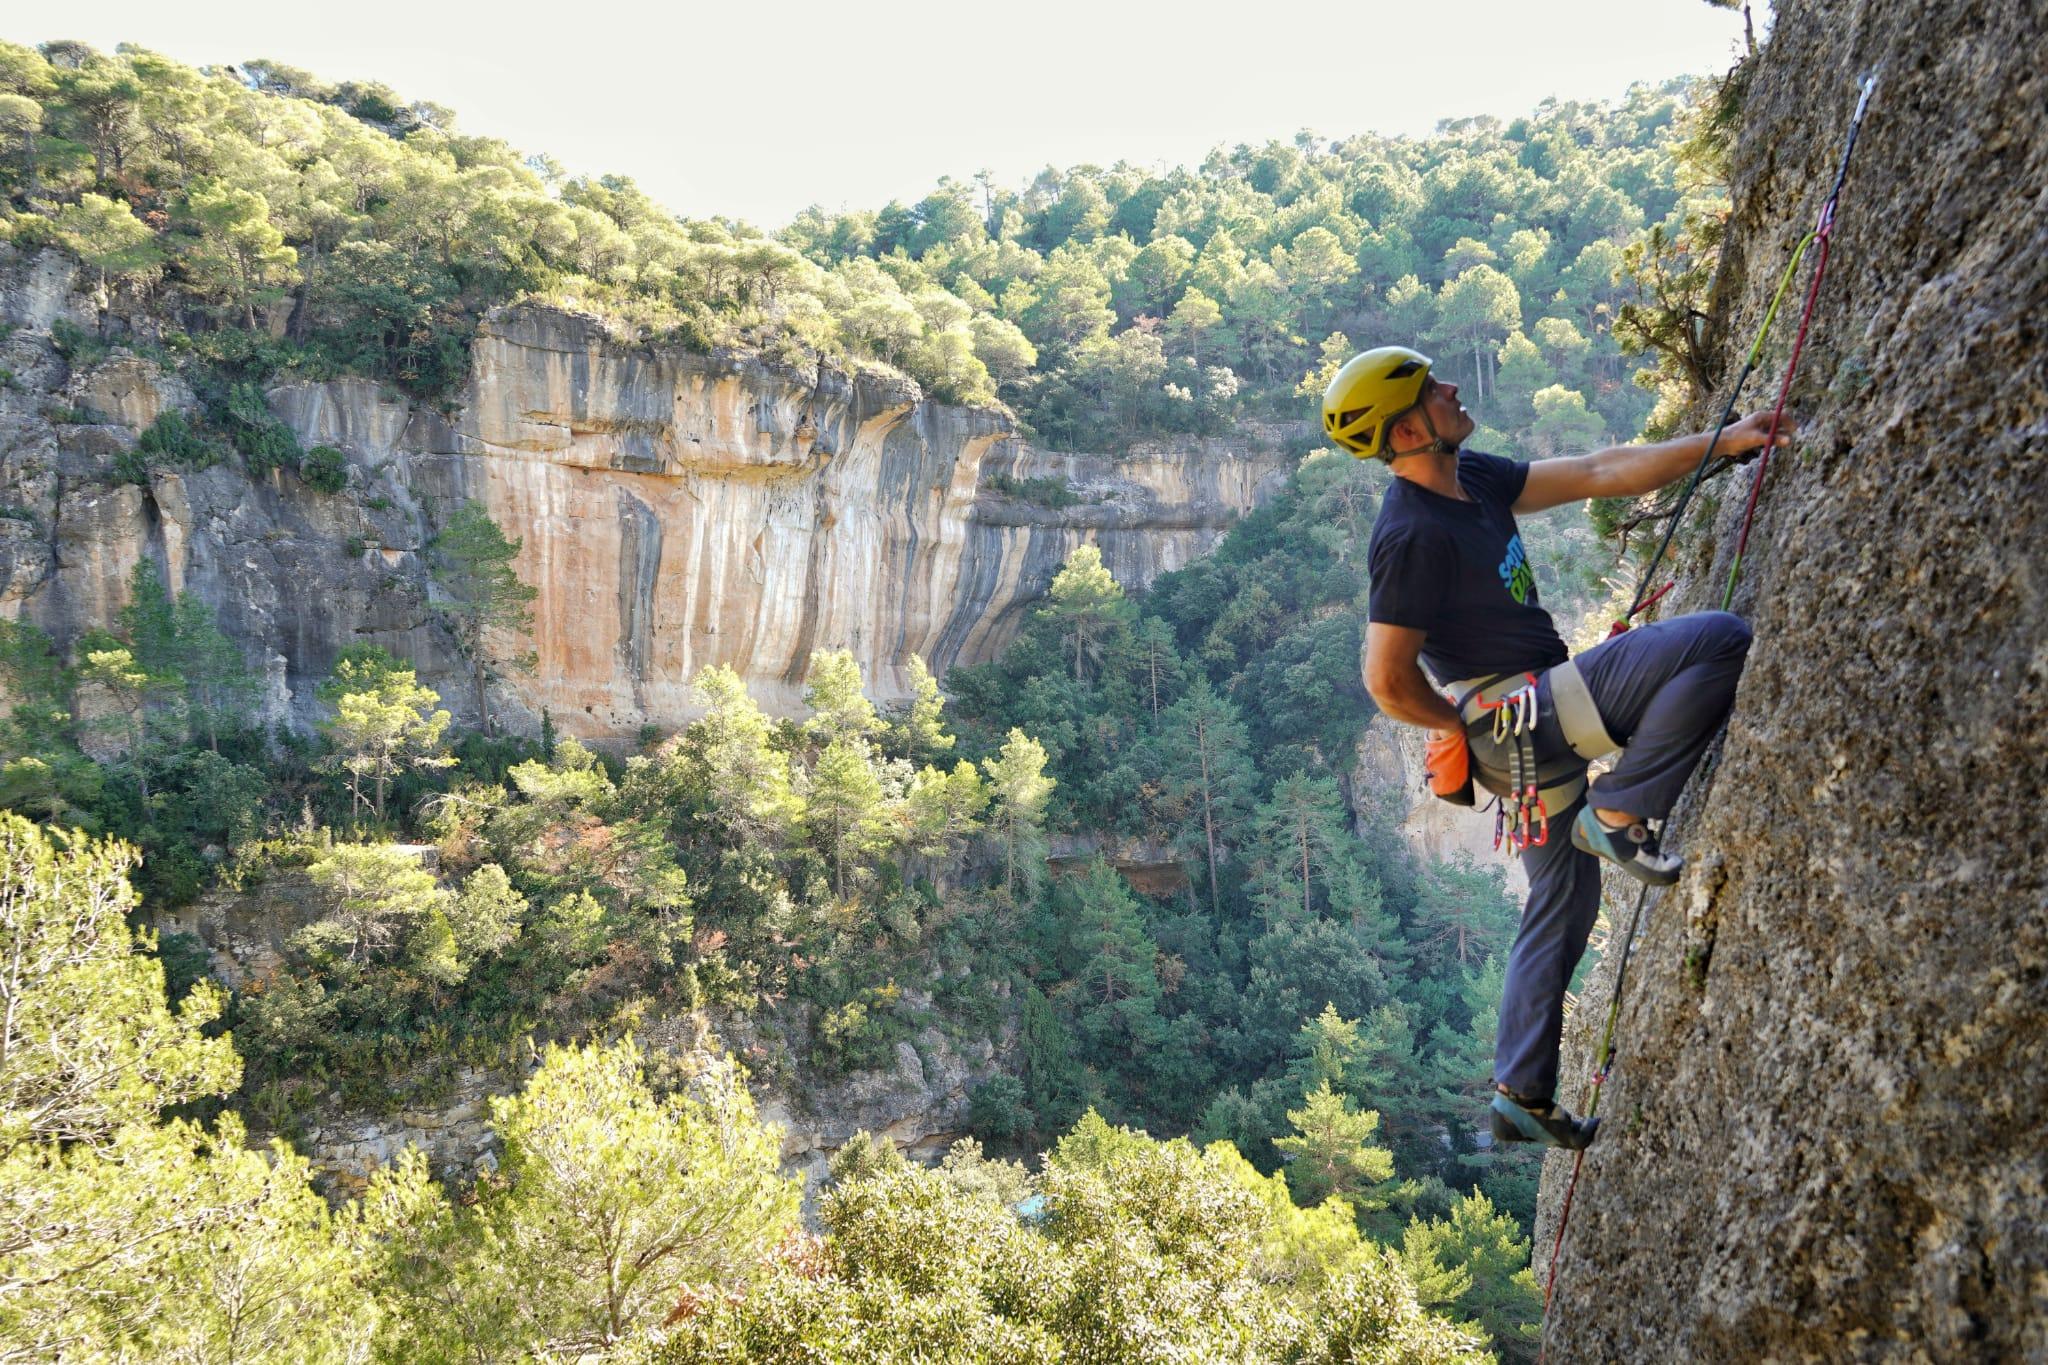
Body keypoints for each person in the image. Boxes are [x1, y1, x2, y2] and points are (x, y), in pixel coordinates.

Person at [1325, 346, 1788, 1149]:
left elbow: (1600, 469)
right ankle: (1621, 805)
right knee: (1719, 640)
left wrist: (1723, 442)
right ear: (1408, 428)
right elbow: (1385, 679)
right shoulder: (1410, 533)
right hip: (1525, 717)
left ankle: (1520, 1091)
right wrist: (1454, 725)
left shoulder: (1475, 481)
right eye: (1433, 388)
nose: (1453, 387)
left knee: (1563, 903)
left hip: (1524, 736)